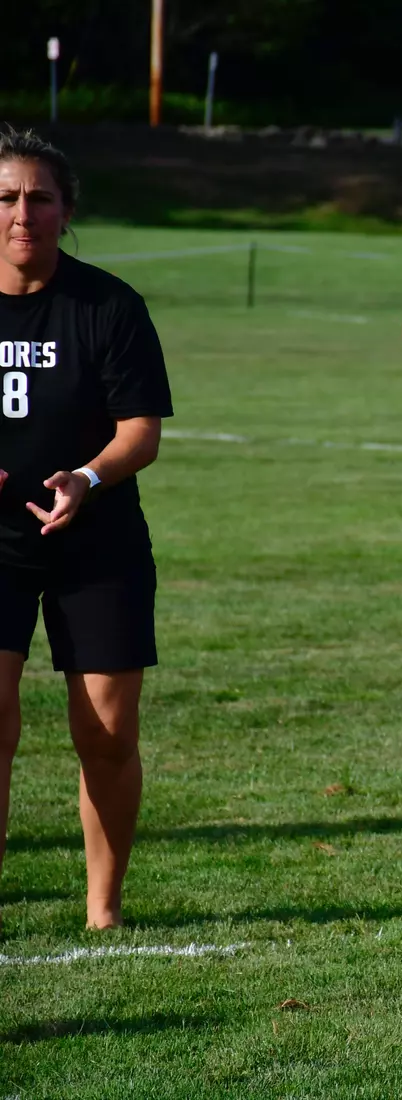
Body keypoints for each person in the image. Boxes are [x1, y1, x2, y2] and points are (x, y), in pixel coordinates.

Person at [0, 128, 173, 929]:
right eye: (6, 198)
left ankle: (104, 909)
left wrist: (87, 477)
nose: (21, 213)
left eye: (39, 198)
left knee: (105, 732)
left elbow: (140, 430)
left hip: (95, 540)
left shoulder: (108, 305)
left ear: (66, 210)